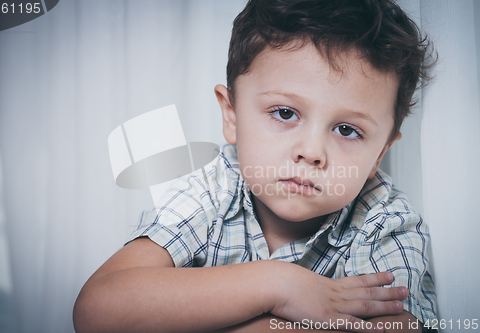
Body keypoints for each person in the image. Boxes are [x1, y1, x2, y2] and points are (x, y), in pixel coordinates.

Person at [73, 0, 437, 332]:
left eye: (347, 130)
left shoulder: (384, 220)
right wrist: (276, 285)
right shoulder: (210, 189)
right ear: (231, 116)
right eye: (284, 113)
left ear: (378, 155)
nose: (311, 152)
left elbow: (403, 326)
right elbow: (97, 310)